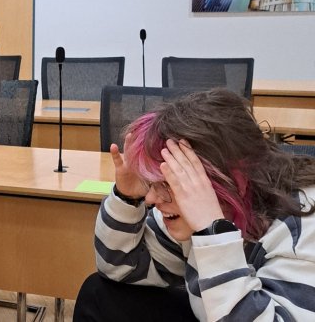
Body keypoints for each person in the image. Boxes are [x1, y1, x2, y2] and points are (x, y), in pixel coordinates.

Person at [74, 89, 315, 321]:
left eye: (168, 183)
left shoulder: (300, 226)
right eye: (153, 183)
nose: (151, 199)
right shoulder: (190, 212)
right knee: (98, 294)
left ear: (226, 179)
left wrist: (212, 232)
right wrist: (127, 197)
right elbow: (121, 268)